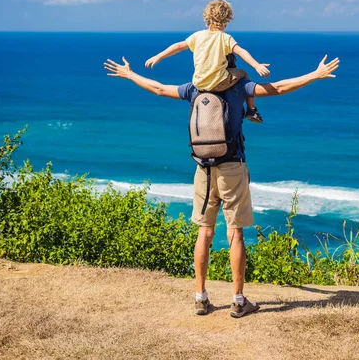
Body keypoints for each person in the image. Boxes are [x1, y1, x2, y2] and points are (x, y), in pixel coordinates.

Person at [104, 54, 339, 318]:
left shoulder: (195, 89)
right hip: (232, 167)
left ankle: (200, 298)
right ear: (231, 66)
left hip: (202, 169)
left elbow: (159, 89)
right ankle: (238, 301)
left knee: (204, 232)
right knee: (235, 233)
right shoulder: (238, 86)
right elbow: (280, 87)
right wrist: (314, 75)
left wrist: (130, 74)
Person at [145, 0, 268, 123]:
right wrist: (256, 65)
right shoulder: (225, 38)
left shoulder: (197, 36)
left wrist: (158, 56)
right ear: (226, 21)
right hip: (219, 83)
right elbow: (241, 51)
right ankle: (251, 110)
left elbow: (177, 46)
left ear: (207, 19)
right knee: (243, 73)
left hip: (199, 84)